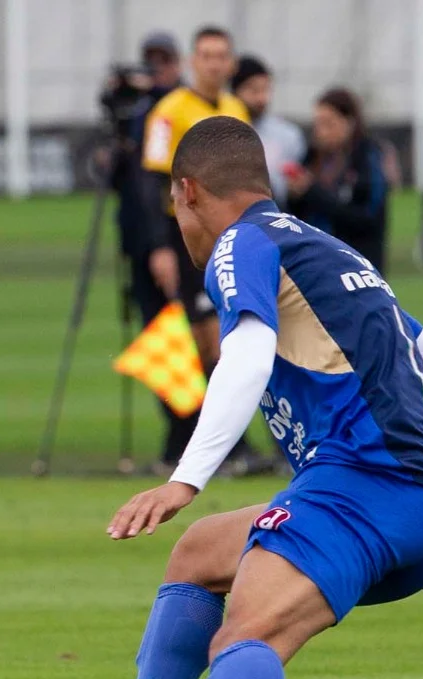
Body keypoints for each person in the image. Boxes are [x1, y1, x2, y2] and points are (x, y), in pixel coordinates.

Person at [11, 117, 423, 679]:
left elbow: (250, 349)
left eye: (177, 209)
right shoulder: (323, 248)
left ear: (188, 192)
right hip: (412, 505)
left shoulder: (244, 243)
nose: (181, 226)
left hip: (366, 490)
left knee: (246, 634)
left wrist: (185, 477)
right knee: (201, 552)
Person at [139, 26, 261, 470]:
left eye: (221, 56)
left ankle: (220, 446)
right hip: (186, 238)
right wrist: (159, 246)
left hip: (230, 237)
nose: (213, 64)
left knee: (229, 338)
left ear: (230, 64)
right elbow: (151, 182)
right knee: (200, 343)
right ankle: (215, 446)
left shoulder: (235, 109)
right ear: (194, 61)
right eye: (206, 55)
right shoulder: (168, 112)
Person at [99, 31, 188, 469]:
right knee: (162, 341)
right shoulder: (140, 115)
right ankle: (181, 432)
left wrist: (160, 246)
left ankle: (189, 434)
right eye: (149, 63)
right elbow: (127, 179)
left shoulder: (172, 111)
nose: (156, 73)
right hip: (141, 241)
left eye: (163, 63)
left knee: (185, 340)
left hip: (171, 243)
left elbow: (156, 183)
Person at [286, 87, 389, 274]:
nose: (321, 132)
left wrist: (312, 192)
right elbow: (296, 216)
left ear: (349, 123)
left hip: (358, 266)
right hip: (316, 265)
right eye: (317, 123)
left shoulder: (367, 158)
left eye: (328, 123)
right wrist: (294, 194)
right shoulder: (311, 157)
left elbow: (367, 218)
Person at [231, 55, 306, 207]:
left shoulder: (288, 134)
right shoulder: (224, 131)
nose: (261, 98)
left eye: (265, 89)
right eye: (253, 90)